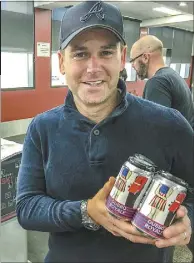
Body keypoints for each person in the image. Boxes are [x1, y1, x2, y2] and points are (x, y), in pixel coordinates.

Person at [16, 1, 193, 262]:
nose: (93, 67)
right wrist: (86, 211)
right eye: (80, 53)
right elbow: (27, 207)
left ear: (122, 59)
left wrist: (188, 222)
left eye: (106, 53)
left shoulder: (169, 124)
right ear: (62, 62)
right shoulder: (42, 128)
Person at [130, 35, 194, 129]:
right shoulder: (172, 75)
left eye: (133, 60)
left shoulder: (157, 82)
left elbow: (155, 129)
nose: (132, 65)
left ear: (145, 58)